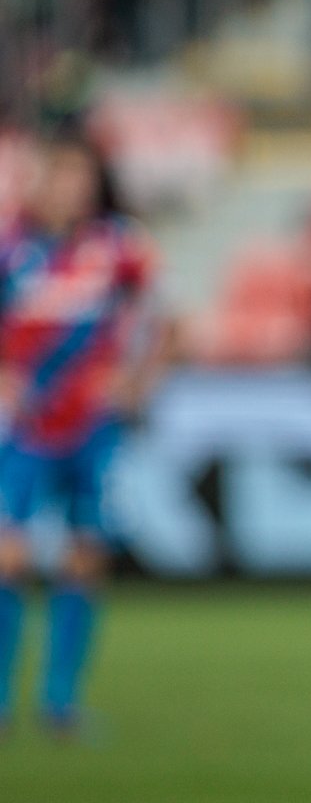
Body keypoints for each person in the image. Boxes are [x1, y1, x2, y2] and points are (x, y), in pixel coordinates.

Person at [0, 131, 168, 739]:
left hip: (93, 428)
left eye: (82, 177)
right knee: (10, 557)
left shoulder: (120, 247)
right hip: (24, 428)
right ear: (41, 180)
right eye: (62, 175)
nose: (73, 188)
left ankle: (60, 704)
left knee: (84, 559)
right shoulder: (12, 249)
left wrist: (138, 380)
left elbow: (169, 320)